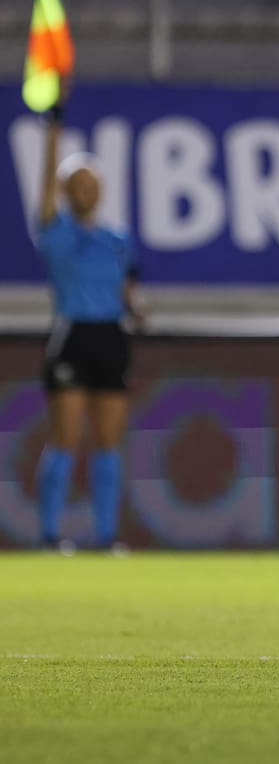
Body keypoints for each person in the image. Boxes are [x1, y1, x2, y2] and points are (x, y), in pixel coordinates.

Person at [34, 107, 143, 555]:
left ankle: (105, 535)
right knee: (65, 436)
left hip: (110, 337)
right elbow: (44, 193)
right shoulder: (57, 232)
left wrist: (138, 308)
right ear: (66, 191)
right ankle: (49, 533)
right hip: (73, 335)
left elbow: (128, 288)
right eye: (76, 183)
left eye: (91, 183)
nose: (85, 189)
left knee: (108, 441)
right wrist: (54, 133)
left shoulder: (117, 238)